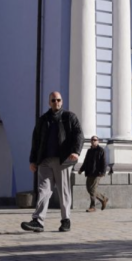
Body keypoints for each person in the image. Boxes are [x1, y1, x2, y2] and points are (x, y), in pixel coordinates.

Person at [21, 91, 83, 233]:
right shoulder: (43, 120)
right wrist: (33, 160)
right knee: (43, 191)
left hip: (63, 160)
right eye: (53, 100)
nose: (56, 102)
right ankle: (38, 221)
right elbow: (35, 140)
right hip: (44, 160)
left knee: (64, 191)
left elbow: (78, 134)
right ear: (49, 102)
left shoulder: (69, 117)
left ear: (62, 101)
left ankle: (66, 220)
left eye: (58, 100)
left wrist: (76, 151)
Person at [78, 135, 108, 212]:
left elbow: (104, 162)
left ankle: (93, 206)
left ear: (98, 141)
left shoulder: (101, 150)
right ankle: (103, 198)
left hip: (97, 173)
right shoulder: (89, 151)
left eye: (95, 140)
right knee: (89, 188)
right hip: (89, 172)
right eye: (92, 140)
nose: (93, 141)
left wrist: (103, 172)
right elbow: (85, 161)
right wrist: (81, 169)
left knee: (92, 189)